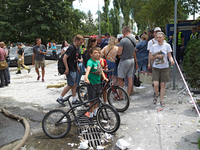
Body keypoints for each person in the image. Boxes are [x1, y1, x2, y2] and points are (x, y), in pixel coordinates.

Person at [56, 35, 84, 106]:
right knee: (70, 85)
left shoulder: (77, 48)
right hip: (70, 69)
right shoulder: (71, 48)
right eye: (80, 42)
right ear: (76, 40)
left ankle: (74, 99)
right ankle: (60, 98)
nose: (81, 44)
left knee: (74, 84)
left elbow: (75, 59)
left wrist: (77, 67)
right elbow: (64, 58)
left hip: (74, 68)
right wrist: (67, 68)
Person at [84, 47, 108, 124]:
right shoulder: (90, 62)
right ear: (91, 54)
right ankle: (90, 116)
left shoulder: (98, 62)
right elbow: (88, 70)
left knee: (97, 99)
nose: (97, 54)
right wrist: (86, 77)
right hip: (92, 83)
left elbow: (101, 71)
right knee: (91, 100)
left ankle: (95, 113)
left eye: (98, 53)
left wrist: (104, 78)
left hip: (98, 82)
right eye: (95, 53)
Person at [150, 32, 174, 107]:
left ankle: (161, 100)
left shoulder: (167, 46)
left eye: (160, 37)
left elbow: (170, 56)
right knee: (156, 84)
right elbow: (151, 57)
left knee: (162, 84)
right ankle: (156, 95)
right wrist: (157, 56)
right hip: (156, 67)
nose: (159, 39)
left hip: (165, 67)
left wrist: (171, 60)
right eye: (157, 37)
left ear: (164, 38)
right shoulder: (153, 46)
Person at [117, 26, 138, 97]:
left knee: (120, 78)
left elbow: (119, 53)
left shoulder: (123, 40)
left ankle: (121, 96)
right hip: (132, 60)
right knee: (130, 78)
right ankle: (128, 95)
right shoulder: (134, 39)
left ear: (124, 32)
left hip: (124, 60)